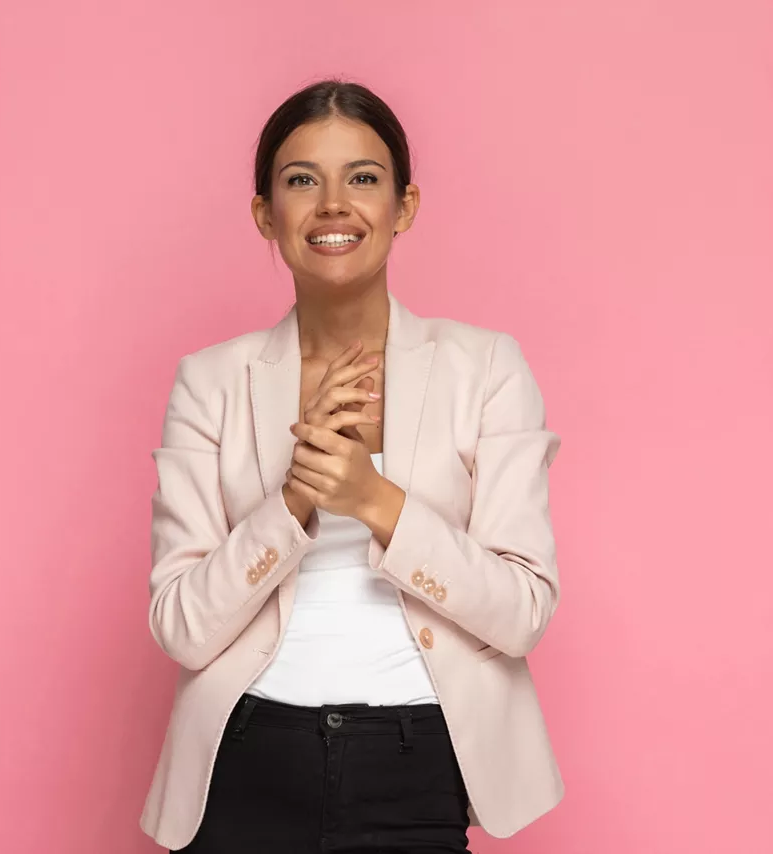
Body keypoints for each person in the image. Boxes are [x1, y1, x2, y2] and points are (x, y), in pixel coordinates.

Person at [141, 79, 564, 854]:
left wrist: (379, 503)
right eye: (302, 179)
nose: (334, 203)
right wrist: (293, 500)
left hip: (416, 764)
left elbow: (523, 611)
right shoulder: (211, 380)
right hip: (243, 764)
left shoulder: (487, 368)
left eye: (363, 178)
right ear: (266, 213)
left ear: (403, 207)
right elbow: (182, 627)